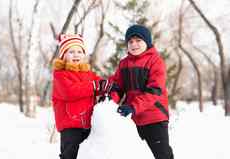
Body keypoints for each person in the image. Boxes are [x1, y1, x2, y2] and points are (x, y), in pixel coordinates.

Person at [109, 24, 174, 159]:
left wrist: (133, 106)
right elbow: (117, 87)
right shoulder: (123, 64)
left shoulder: (155, 61)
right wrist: (110, 102)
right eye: (130, 41)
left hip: (154, 117)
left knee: (162, 155)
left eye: (138, 40)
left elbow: (154, 91)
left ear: (147, 42)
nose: (134, 44)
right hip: (132, 119)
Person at [51, 34, 111, 159]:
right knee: (70, 155)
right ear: (63, 55)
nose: (76, 54)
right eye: (71, 52)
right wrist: (94, 86)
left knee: (86, 154)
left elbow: (98, 85)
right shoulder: (60, 75)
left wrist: (107, 86)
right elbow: (70, 92)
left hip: (88, 124)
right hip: (70, 126)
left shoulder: (88, 73)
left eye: (79, 51)